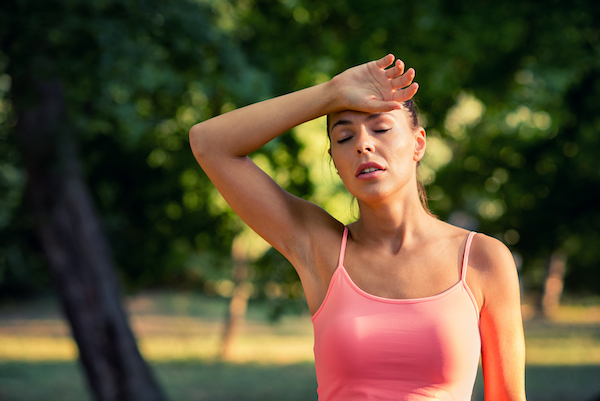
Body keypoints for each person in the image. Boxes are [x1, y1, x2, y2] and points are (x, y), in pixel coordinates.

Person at [189, 54, 526, 401]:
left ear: (418, 143)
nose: (363, 145)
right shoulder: (320, 248)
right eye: (345, 137)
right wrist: (330, 93)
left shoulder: (482, 259)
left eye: (381, 129)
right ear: (335, 163)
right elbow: (209, 143)